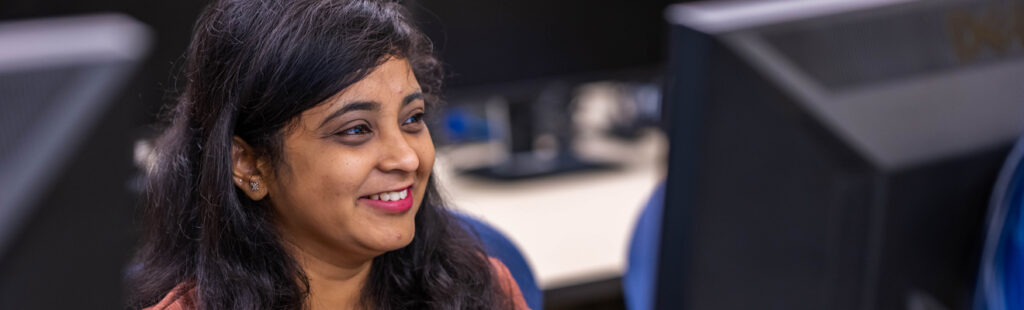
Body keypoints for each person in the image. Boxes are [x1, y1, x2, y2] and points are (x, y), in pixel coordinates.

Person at [127, 0, 528, 309]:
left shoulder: (480, 291)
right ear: (248, 163)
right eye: (356, 130)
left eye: (412, 119)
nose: (406, 158)